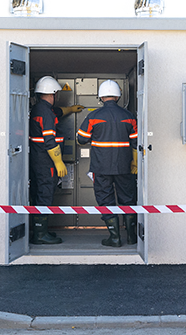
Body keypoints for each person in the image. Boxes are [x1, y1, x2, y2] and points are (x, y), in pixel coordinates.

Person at [76, 80, 138, 247]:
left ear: (101, 96)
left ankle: (115, 238)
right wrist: (135, 164)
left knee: (105, 199)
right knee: (128, 198)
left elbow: (81, 139)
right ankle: (132, 237)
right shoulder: (129, 116)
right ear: (118, 96)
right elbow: (135, 143)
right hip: (125, 166)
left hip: (101, 167)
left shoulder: (94, 116)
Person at [28, 76, 84, 244]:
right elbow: (49, 140)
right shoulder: (45, 112)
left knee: (40, 193)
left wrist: (71, 109)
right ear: (53, 94)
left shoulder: (41, 109)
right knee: (45, 194)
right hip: (46, 161)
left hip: (39, 159)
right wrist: (58, 162)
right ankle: (39, 234)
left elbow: (58, 112)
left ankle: (41, 230)